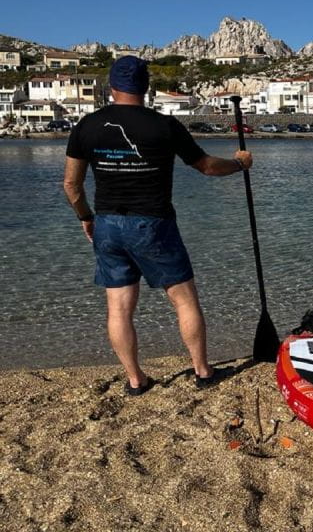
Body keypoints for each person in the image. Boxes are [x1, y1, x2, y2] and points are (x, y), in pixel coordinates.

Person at [63, 55, 252, 395]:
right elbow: (207, 167)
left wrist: (86, 218)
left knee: (119, 308)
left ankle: (136, 381)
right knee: (184, 300)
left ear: (111, 86)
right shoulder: (164, 126)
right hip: (153, 224)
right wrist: (239, 165)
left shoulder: (87, 126)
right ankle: (203, 372)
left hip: (107, 224)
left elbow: (71, 186)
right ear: (146, 86)